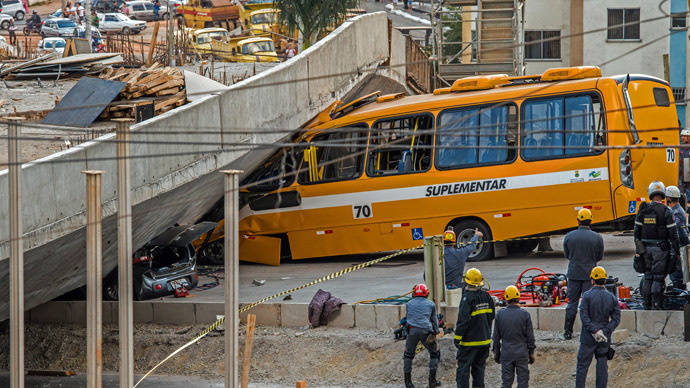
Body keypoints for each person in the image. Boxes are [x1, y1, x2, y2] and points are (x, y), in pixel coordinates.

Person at [634, 181, 681, 310]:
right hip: (661, 249)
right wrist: (677, 252)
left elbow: (636, 232)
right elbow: (673, 234)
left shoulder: (643, 209)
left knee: (648, 276)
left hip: (645, 250)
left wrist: (638, 250)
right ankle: (656, 305)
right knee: (658, 277)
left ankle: (646, 304)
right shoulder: (666, 210)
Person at [575, 266, 621, 388]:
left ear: (592, 280)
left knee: (582, 367)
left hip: (588, 338)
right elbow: (616, 319)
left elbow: (584, 317)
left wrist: (595, 331)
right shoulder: (611, 297)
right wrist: (604, 332)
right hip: (604, 338)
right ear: (605, 280)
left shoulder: (587, 296)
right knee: (602, 365)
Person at [562, 208, 604, 339]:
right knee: (588, 304)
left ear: (578, 221)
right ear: (591, 220)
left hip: (574, 273)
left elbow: (567, 254)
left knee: (572, 303)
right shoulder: (597, 237)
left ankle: (567, 331)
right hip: (589, 275)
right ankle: (590, 331)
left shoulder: (569, 236)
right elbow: (599, 256)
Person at [454, 268, 495, 388]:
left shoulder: (467, 298)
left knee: (463, 370)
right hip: (484, 341)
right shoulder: (487, 296)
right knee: (479, 370)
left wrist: (457, 339)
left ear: (467, 282)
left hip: (469, 343)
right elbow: (491, 316)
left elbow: (463, 321)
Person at [492, 285, 536, 388]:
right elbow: (530, 336)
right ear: (518, 297)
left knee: (506, 383)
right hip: (521, 352)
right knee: (523, 383)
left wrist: (497, 353)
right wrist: (531, 352)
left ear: (506, 298)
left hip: (506, 352)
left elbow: (496, 337)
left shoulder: (500, 314)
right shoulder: (525, 315)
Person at [403, 284, 441, 388]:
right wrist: (435, 332)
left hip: (411, 331)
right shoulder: (431, 304)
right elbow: (434, 321)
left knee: (408, 355)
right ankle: (432, 381)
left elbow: (408, 318)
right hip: (426, 331)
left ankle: (408, 383)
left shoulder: (408, 304)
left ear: (414, 293)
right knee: (434, 353)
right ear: (427, 294)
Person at [666, 185, 689, 289]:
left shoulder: (675, 213)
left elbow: (681, 232)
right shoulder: (678, 209)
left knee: (677, 278)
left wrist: (682, 248)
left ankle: (680, 301)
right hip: (678, 248)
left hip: (678, 249)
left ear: (669, 198)